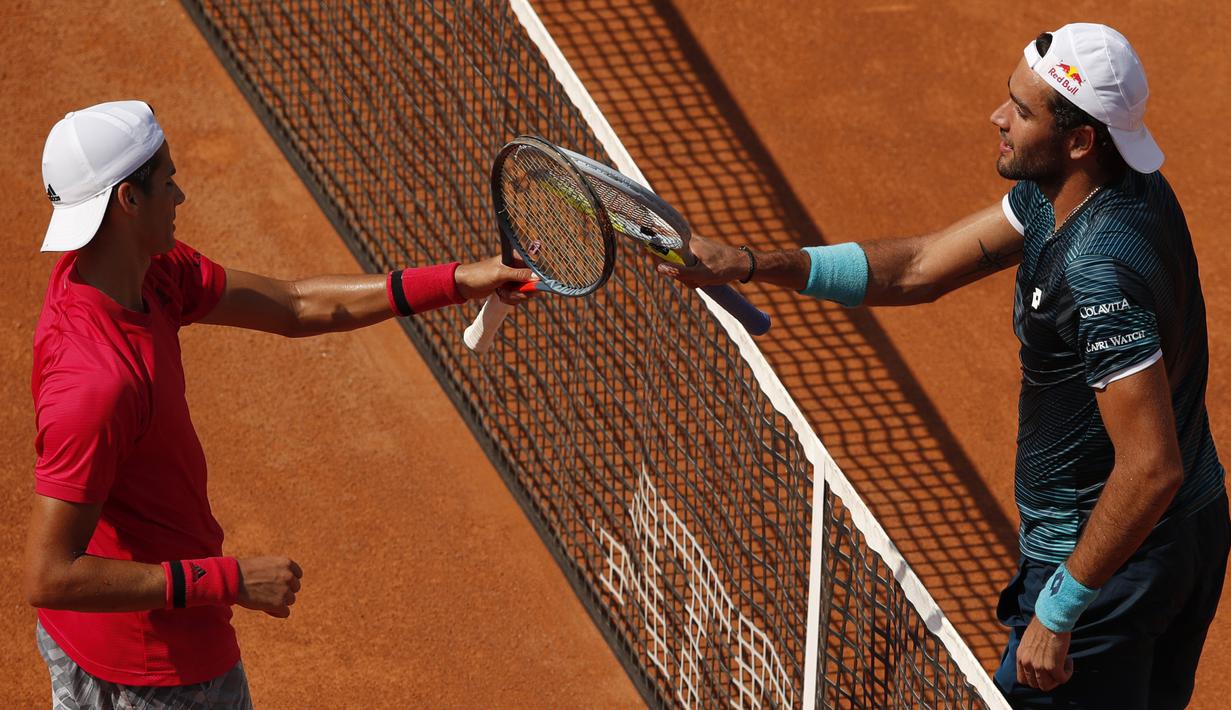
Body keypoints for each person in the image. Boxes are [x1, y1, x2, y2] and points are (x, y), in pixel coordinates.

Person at [656, 23, 1229, 709]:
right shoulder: (1104, 189)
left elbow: (1148, 467)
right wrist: (752, 263)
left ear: (1079, 140)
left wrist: (1060, 607)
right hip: (1179, 532)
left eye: (1020, 111)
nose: (998, 118)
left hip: (1109, 561)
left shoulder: (1096, 270)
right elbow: (920, 268)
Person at [24, 100, 535, 708]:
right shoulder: (97, 382)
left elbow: (295, 306)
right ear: (127, 201)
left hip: (125, 645)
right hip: (155, 673)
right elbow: (50, 574)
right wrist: (229, 580)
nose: (180, 196)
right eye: (167, 182)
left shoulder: (142, 272)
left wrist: (458, 281)